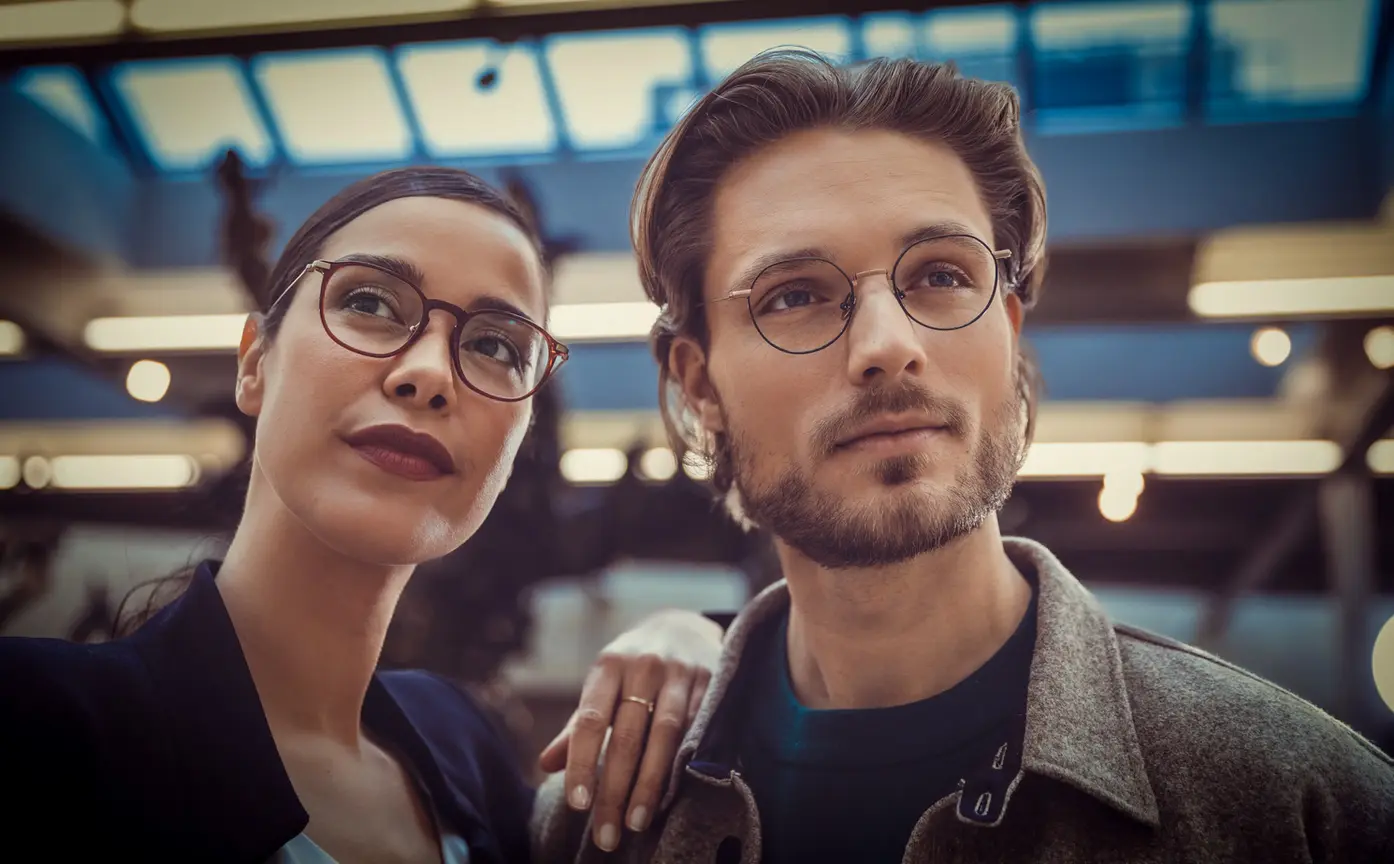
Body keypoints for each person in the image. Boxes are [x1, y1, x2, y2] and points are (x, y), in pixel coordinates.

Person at [533, 50, 1394, 863]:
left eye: (941, 275)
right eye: (794, 295)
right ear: (700, 384)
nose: (887, 345)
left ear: (1009, 332)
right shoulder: (592, 826)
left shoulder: (1305, 806)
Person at [0, 167, 725, 863]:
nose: (432, 374)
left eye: (497, 346)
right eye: (371, 304)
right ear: (254, 363)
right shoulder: (41, 726)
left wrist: (701, 641)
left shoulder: (466, 751)